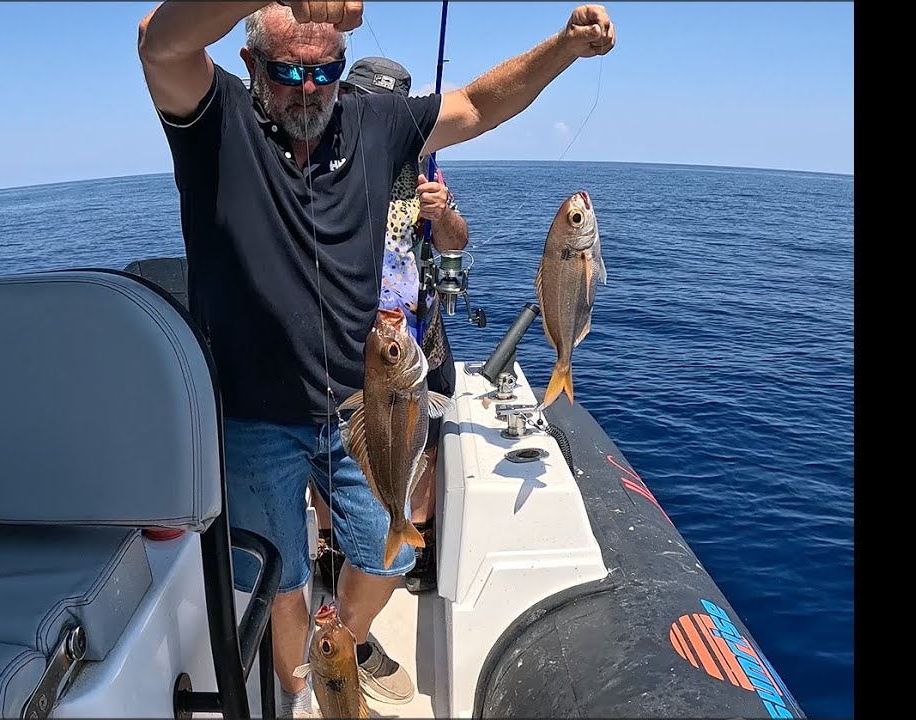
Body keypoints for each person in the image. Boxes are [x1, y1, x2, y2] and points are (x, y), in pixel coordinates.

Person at [137, 2, 615, 715]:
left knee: (392, 548)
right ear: (249, 64)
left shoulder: (374, 124)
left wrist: (565, 48)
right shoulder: (216, 124)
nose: (309, 88)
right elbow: (161, 43)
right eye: (288, 69)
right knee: (281, 577)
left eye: (325, 70)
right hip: (250, 417)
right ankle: (305, 688)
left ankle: (341, 645)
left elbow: (481, 103)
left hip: (364, 401)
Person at [319, 56, 468, 595]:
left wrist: (443, 212)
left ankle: (415, 532)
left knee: (427, 429)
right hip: (350, 330)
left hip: (412, 327)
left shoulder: (425, 166)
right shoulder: (327, 160)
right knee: (337, 436)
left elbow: (456, 243)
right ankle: (330, 545)